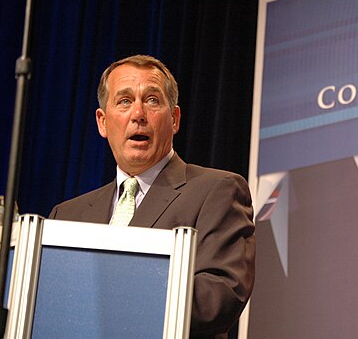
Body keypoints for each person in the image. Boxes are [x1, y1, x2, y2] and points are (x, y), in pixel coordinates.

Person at [49, 55, 255, 339]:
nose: (138, 114)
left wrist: (106, 297)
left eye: (153, 100)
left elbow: (218, 297)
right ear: (102, 122)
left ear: (174, 119)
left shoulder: (217, 190)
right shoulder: (67, 215)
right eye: (124, 101)